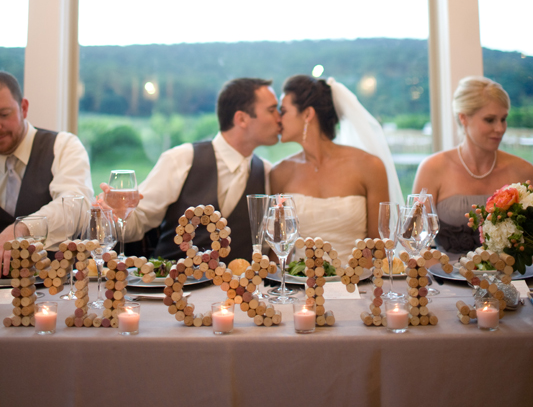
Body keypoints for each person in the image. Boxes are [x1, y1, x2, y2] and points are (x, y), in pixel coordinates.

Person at [113, 78, 280, 262]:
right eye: (272, 110)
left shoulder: (266, 172)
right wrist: (117, 215)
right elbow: (138, 222)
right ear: (241, 119)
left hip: (236, 290)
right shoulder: (181, 159)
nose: (279, 118)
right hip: (171, 287)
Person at [270, 75, 402, 266]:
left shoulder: (369, 166)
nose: (278, 119)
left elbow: (378, 248)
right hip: (299, 286)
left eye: (283, 111)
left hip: (357, 286)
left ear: (307, 114)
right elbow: (278, 251)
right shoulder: (280, 173)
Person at [412, 75, 533, 256]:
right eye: (490, 120)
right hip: (444, 279)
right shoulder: (432, 169)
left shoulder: (523, 171)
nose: (500, 128)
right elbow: (416, 240)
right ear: (463, 118)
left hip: (513, 280)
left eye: (503, 119)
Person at [0, 71, 93, 273]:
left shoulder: (63, 146)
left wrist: (23, 228)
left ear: (23, 108)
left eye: (4, 115)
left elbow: (75, 206)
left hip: (49, 288)